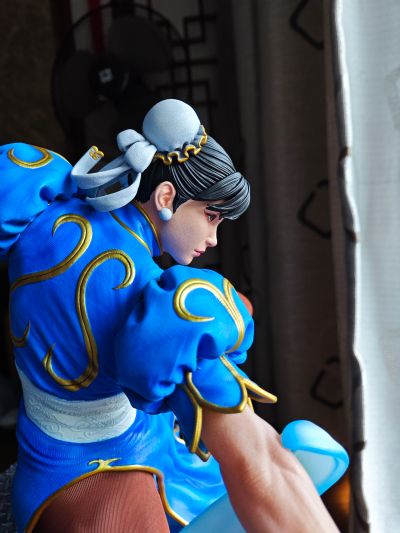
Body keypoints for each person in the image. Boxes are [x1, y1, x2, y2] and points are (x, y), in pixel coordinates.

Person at [0, 99, 339, 532]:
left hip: (39, 445)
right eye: (211, 216)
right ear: (165, 197)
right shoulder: (157, 304)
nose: (214, 238)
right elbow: (257, 460)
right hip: (98, 476)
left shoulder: (42, 197)